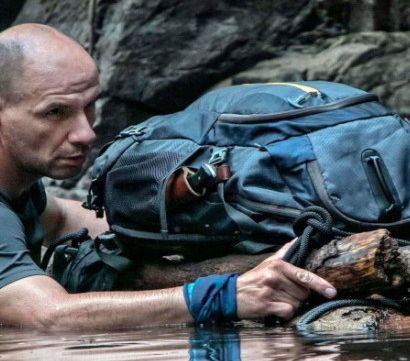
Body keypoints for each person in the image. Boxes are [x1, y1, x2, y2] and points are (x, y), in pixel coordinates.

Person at [0, 23, 337, 330]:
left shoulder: (19, 185)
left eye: (89, 105)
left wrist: (198, 232)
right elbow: (49, 316)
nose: (86, 133)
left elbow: (59, 219)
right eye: (56, 112)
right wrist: (224, 296)